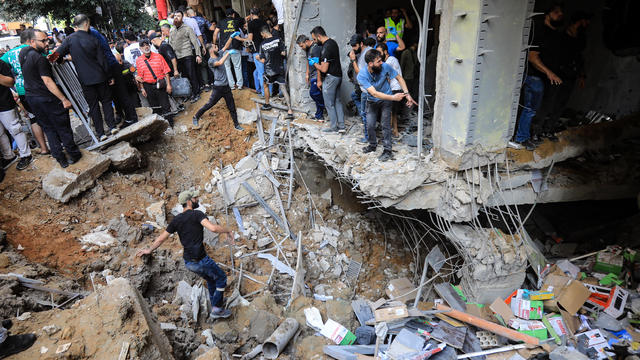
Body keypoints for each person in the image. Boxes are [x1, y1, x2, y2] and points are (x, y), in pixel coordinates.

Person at [136, 190, 234, 320]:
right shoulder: (197, 214)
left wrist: (149, 250)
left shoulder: (176, 220)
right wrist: (228, 230)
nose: (197, 200)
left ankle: (215, 301)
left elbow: (161, 239)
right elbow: (213, 228)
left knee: (211, 279)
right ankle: (217, 308)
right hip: (201, 260)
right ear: (189, 202)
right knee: (221, 278)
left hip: (189, 263)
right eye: (195, 198)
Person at [20, 29, 82, 168]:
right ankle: (74, 154)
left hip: (32, 98)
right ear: (32, 41)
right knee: (62, 127)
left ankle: (60, 159)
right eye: (43, 41)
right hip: (47, 98)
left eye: (47, 39)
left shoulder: (23, 54)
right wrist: (64, 99)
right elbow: (48, 81)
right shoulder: (39, 59)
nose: (47, 43)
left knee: (48, 128)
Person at [55, 14, 118, 141]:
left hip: (85, 80)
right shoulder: (93, 39)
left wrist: (61, 59)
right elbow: (102, 60)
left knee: (93, 106)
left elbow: (57, 54)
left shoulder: (69, 40)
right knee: (106, 101)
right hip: (100, 77)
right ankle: (112, 126)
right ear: (86, 24)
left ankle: (101, 134)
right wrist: (109, 76)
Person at [510, 3, 564, 151]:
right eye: (557, 12)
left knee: (534, 108)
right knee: (529, 108)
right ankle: (520, 138)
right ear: (548, 14)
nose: (560, 15)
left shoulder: (555, 34)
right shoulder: (539, 31)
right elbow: (532, 57)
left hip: (543, 78)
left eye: (561, 13)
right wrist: (549, 73)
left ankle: (525, 136)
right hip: (534, 77)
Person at [535, 11, 591, 141]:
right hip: (558, 74)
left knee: (560, 104)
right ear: (579, 21)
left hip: (570, 75)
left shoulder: (581, 38)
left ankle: (548, 130)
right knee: (548, 103)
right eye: (585, 21)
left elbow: (579, 57)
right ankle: (536, 131)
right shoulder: (561, 36)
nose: (587, 24)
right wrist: (551, 72)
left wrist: (582, 75)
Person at [357, 50, 416, 161]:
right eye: (378, 61)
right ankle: (372, 145)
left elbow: (399, 78)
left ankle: (388, 150)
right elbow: (374, 93)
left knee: (385, 125)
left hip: (386, 101)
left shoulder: (385, 66)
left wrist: (407, 94)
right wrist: (394, 97)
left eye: (381, 60)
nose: (381, 63)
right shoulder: (362, 75)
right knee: (369, 125)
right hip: (372, 101)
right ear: (370, 64)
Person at [1, 30, 49, 154]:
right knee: (48, 116)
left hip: (22, 89)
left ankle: (43, 148)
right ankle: (58, 144)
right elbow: (46, 60)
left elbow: (3, 65)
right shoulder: (34, 49)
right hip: (40, 87)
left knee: (34, 119)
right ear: (31, 39)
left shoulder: (9, 54)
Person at [89, 26, 139, 129]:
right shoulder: (95, 34)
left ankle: (131, 118)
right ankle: (125, 117)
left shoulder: (92, 35)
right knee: (117, 97)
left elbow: (103, 58)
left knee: (122, 95)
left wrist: (109, 75)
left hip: (111, 69)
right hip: (111, 69)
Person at [192, 43, 243, 131]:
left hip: (226, 87)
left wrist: (231, 37)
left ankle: (236, 124)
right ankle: (196, 116)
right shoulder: (210, 61)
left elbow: (226, 46)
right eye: (215, 47)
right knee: (210, 104)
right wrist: (228, 53)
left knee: (232, 106)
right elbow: (220, 62)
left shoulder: (218, 53)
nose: (217, 47)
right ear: (211, 50)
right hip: (218, 88)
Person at [311, 26, 345, 133]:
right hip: (338, 76)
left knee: (329, 104)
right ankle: (342, 127)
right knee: (337, 101)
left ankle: (333, 127)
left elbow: (324, 69)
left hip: (331, 78)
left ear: (319, 36)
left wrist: (315, 64)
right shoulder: (333, 42)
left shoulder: (326, 48)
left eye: (315, 39)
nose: (314, 42)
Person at [0, 57, 33, 170]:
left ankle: (26, 155)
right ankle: (9, 156)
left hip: (5, 103)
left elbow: (10, 82)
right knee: (0, 134)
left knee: (15, 129)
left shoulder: (1, 63)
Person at [135, 39, 174, 126]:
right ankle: (161, 126)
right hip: (147, 86)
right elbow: (140, 76)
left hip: (160, 84)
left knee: (165, 106)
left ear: (150, 46)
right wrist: (142, 89)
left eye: (147, 45)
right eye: (143, 46)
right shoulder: (139, 60)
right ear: (140, 49)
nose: (146, 47)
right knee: (155, 107)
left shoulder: (158, 56)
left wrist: (168, 85)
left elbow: (166, 71)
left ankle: (170, 125)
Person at [257, 26, 293, 119]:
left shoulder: (263, 44)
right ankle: (290, 110)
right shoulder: (278, 39)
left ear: (264, 34)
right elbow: (283, 53)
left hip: (269, 71)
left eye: (262, 35)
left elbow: (263, 60)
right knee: (283, 88)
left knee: (265, 85)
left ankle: (267, 104)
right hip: (279, 68)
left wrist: (258, 58)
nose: (262, 37)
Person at [170, 11, 202, 103]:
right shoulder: (172, 29)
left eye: (178, 16)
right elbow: (171, 44)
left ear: (182, 18)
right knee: (184, 76)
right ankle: (189, 93)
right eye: (175, 16)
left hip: (187, 54)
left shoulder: (187, 28)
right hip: (177, 57)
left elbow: (195, 42)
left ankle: (197, 93)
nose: (176, 17)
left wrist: (198, 55)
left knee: (192, 74)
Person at [348, 34, 374, 142]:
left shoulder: (365, 55)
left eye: (354, 46)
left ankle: (369, 138)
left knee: (366, 114)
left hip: (367, 90)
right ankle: (370, 136)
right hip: (366, 89)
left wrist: (353, 60)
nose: (353, 48)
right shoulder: (365, 52)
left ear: (361, 44)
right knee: (367, 113)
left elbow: (360, 74)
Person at [376, 42, 403, 138]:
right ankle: (395, 131)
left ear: (385, 52)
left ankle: (387, 135)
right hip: (396, 88)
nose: (378, 55)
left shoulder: (390, 61)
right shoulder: (390, 60)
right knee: (393, 112)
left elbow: (385, 77)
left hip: (395, 89)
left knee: (389, 112)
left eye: (379, 53)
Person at [296, 34, 325, 121]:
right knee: (317, 93)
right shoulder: (308, 49)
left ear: (306, 41)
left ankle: (324, 105)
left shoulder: (315, 48)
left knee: (313, 93)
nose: (302, 48)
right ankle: (319, 116)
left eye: (302, 46)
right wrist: (307, 74)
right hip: (312, 74)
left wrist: (319, 79)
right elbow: (309, 62)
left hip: (317, 74)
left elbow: (318, 65)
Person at [215, 8, 244, 90]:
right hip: (235, 47)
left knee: (227, 67)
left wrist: (214, 44)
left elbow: (215, 33)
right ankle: (239, 85)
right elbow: (246, 20)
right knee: (237, 66)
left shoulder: (220, 22)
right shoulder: (237, 21)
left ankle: (231, 85)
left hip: (225, 48)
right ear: (233, 14)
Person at [247, 8, 268, 96]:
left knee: (261, 72)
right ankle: (259, 90)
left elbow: (250, 39)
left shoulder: (250, 24)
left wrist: (248, 47)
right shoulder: (264, 22)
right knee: (258, 72)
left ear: (251, 14)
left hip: (257, 50)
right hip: (266, 48)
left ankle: (264, 93)